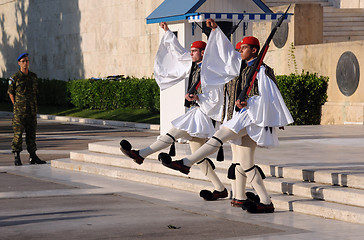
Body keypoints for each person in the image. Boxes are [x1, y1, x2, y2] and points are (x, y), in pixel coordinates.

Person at [159, 19, 294, 213]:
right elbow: (226, 55)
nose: (240, 52)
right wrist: (216, 31)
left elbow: (271, 97)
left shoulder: (262, 71)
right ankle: (266, 202)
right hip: (241, 117)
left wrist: (261, 109)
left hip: (250, 116)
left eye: (244, 49)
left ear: (254, 50)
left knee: (220, 135)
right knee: (246, 164)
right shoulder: (242, 69)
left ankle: (186, 163)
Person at [120, 22, 228, 201]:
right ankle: (220, 189)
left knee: (173, 132)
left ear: (203, 53)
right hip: (196, 112)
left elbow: (216, 97)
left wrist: (198, 98)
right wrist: (168, 32)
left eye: (194, 51)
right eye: (192, 50)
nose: (191, 53)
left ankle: (141, 154)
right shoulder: (194, 66)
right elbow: (180, 53)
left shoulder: (211, 70)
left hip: (203, 115)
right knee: (198, 157)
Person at [8, 53, 46, 166]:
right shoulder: (14, 77)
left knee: (31, 134)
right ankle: (17, 156)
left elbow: (35, 93)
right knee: (18, 134)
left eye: (27, 61)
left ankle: (33, 156)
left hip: (31, 110)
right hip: (19, 112)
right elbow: (11, 93)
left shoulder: (33, 77)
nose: (25, 63)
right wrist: (16, 105)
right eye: (23, 61)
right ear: (19, 63)